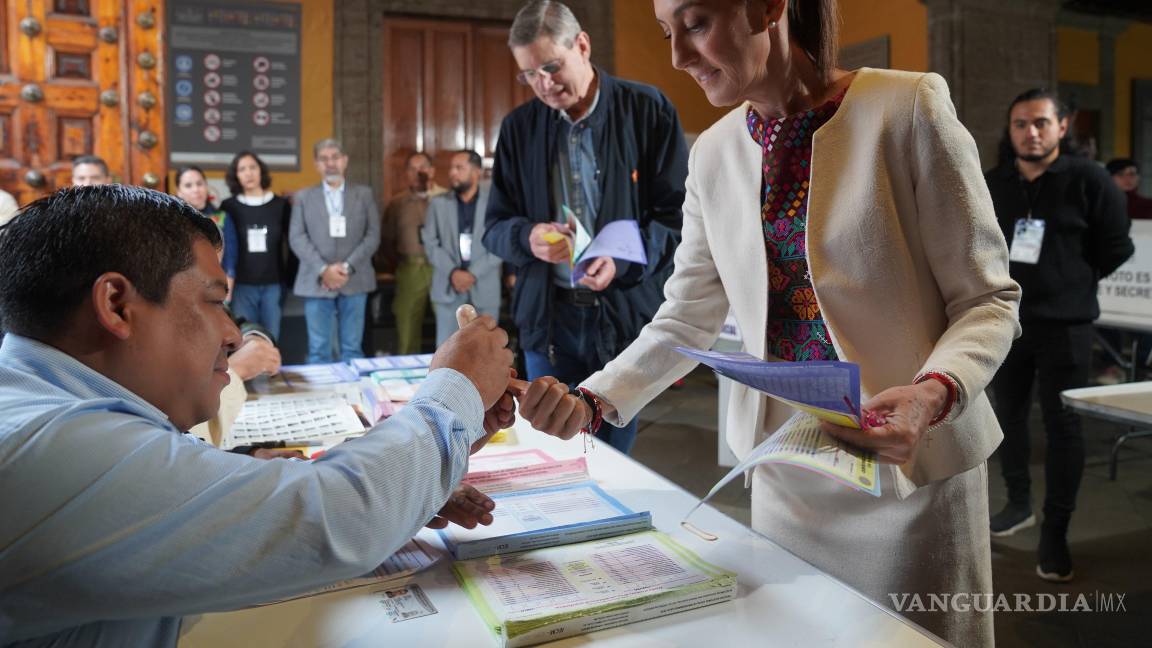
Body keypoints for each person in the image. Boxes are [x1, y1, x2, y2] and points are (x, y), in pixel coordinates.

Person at [516, 1, 1021, 643]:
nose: (678, 57)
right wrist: (593, 398)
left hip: (910, 469)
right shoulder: (716, 153)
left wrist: (932, 394)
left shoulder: (907, 108)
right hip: (790, 469)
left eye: (695, 25)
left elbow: (987, 299)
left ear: (768, 8)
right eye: (667, 34)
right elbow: (686, 317)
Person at [0, 184, 517, 646]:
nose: (230, 334)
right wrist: (455, 389)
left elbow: (213, 514)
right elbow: (333, 516)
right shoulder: (51, 446)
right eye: (212, 302)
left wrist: (410, 482)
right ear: (116, 305)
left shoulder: (44, 406)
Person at [482, 0, 688, 454]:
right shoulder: (519, 128)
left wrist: (620, 259)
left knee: (614, 454)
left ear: (583, 45)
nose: (543, 84)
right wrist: (527, 238)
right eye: (529, 75)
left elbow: (679, 220)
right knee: (551, 450)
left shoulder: (648, 110)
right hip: (549, 321)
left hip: (622, 314)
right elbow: (494, 226)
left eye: (551, 67)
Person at [985, 89, 1134, 582]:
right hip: (1006, 320)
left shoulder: (1089, 180)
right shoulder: (994, 182)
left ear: (1062, 127)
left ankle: (1055, 530)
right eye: (1021, 124)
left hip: (1067, 325)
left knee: (1063, 426)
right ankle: (1019, 502)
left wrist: (1073, 278)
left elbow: (1116, 245)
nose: (1031, 132)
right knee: (1006, 415)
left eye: (1041, 123)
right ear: (1009, 131)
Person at [290, 139, 381, 364]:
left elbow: (373, 235)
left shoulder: (364, 194)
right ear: (316, 164)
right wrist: (324, 269)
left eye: (335, 157)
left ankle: (355, 397)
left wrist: (347, 267)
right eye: (324, 159)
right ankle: (324, 399)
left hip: (355, 278)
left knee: (352, 348)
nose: (330, 163)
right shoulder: (303, 197)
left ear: (345, 161)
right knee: (319, 349)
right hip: (316, 279)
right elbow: (297, 237)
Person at [423, 150, 503, 346]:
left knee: (486, 352)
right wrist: (453, 272)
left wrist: (472, 274)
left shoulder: (494, 204)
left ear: (476, 172)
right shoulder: (438, 204)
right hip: (449, 288)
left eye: (459, 168)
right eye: (451, 168)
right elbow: (430, 243)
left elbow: (500, 245)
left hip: (484, 288)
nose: (452, 173)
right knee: (447, 353)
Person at [380, 152, 448, 354]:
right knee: (407, 327)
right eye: (413, 168)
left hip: (443, 269)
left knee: (449, 328)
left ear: (432, 170)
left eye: (424, 167)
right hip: (410, 269)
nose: (419, 172)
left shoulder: (447, 199)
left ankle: (450, 376)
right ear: (406, 174)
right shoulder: (397, 203)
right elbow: (387, 241)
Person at [220, 151, 292, 340]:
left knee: (272, 338)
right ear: (236, 175)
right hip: (242, 285)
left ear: (261, 171)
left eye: (253, 167)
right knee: (245, 339)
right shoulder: (229, 206)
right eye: (242, 169)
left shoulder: (280, 205)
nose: (248, 173)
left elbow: (291, 244)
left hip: (273, 284)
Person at [174, 165, 238, 296]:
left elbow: (230, 257)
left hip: (215, 286)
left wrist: (227, 291)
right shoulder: (173, 220)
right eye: (188, 185)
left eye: (199, 183)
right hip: (181, 288)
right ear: (179, 191)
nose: (196, 189)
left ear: (206, 186)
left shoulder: (222, 218)